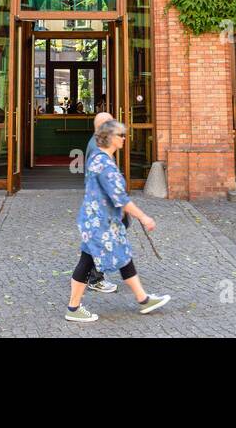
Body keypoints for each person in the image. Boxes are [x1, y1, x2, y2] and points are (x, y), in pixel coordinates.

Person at [66, 119, 170, 322]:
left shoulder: (97, 157)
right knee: (88, 262)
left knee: (120, 257)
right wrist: (143, 217)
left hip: (98, 222)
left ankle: (143, 298)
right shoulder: (105, 164)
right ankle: (73, 308)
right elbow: (120, 198)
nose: (124, 138)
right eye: (121, 135)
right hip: (101, 225)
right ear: (110, 138)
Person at [82, 112, 120, 293]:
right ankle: (95, 278)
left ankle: (91, 277)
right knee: (99, 241)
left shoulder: (98, 143)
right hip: (101, 204)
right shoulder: (97, 147)